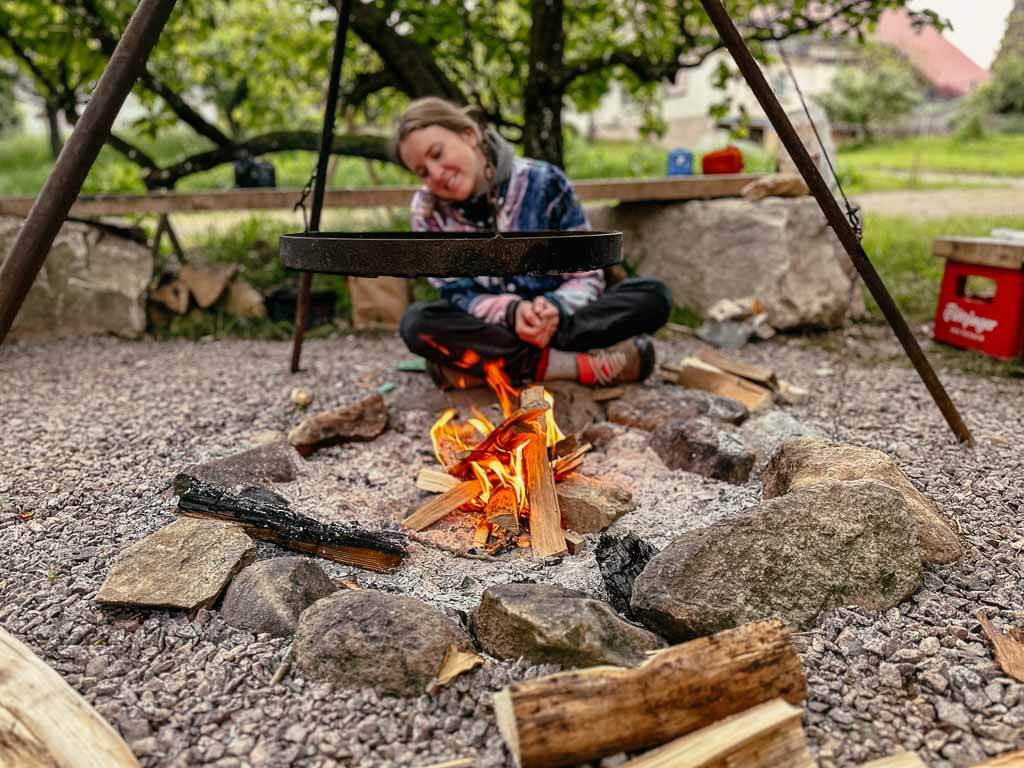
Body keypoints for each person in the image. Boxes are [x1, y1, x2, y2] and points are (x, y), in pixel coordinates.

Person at [394, 97, 671, 389]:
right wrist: (512, 313)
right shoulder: (427, 213)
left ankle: (490, 368)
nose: (435, 174)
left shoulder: (545, 182)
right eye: (423, 171)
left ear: (469, 134)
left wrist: (554, 308)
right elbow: (457, 293)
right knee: (417, 323)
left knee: (653, 295)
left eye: (437, 153)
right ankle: (570, 366)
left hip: (561, 320)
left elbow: (586, 273)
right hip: (494, 325)